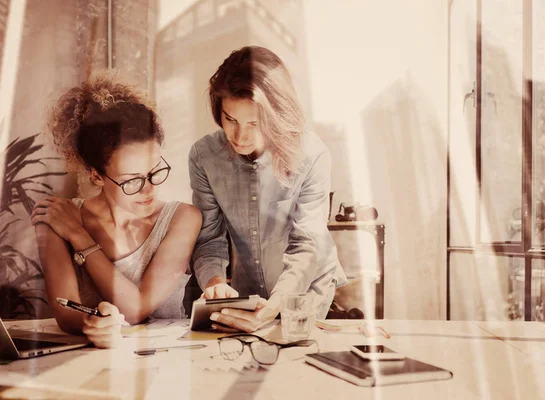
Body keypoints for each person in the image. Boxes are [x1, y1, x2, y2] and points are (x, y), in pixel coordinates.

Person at [31, 73, 203, 348]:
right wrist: (91, 323)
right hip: (83, 365)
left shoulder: (182, 218)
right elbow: (65, 311)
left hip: (169, 366)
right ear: (96, 175)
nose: (149, 189)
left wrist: (79, 237)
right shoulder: (56, 219)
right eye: (132, 180)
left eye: (155, 171)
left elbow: (136, 309)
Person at [188, 46, 347, 333]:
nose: (239, 136)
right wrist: (215, 283)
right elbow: (209, 237)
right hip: (246, 299)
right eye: (230, 119)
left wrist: (278, 305)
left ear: (276, 115)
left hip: (305, 292)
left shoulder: (311, 154)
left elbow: (307, 243)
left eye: (254, 123)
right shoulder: (203, 156)